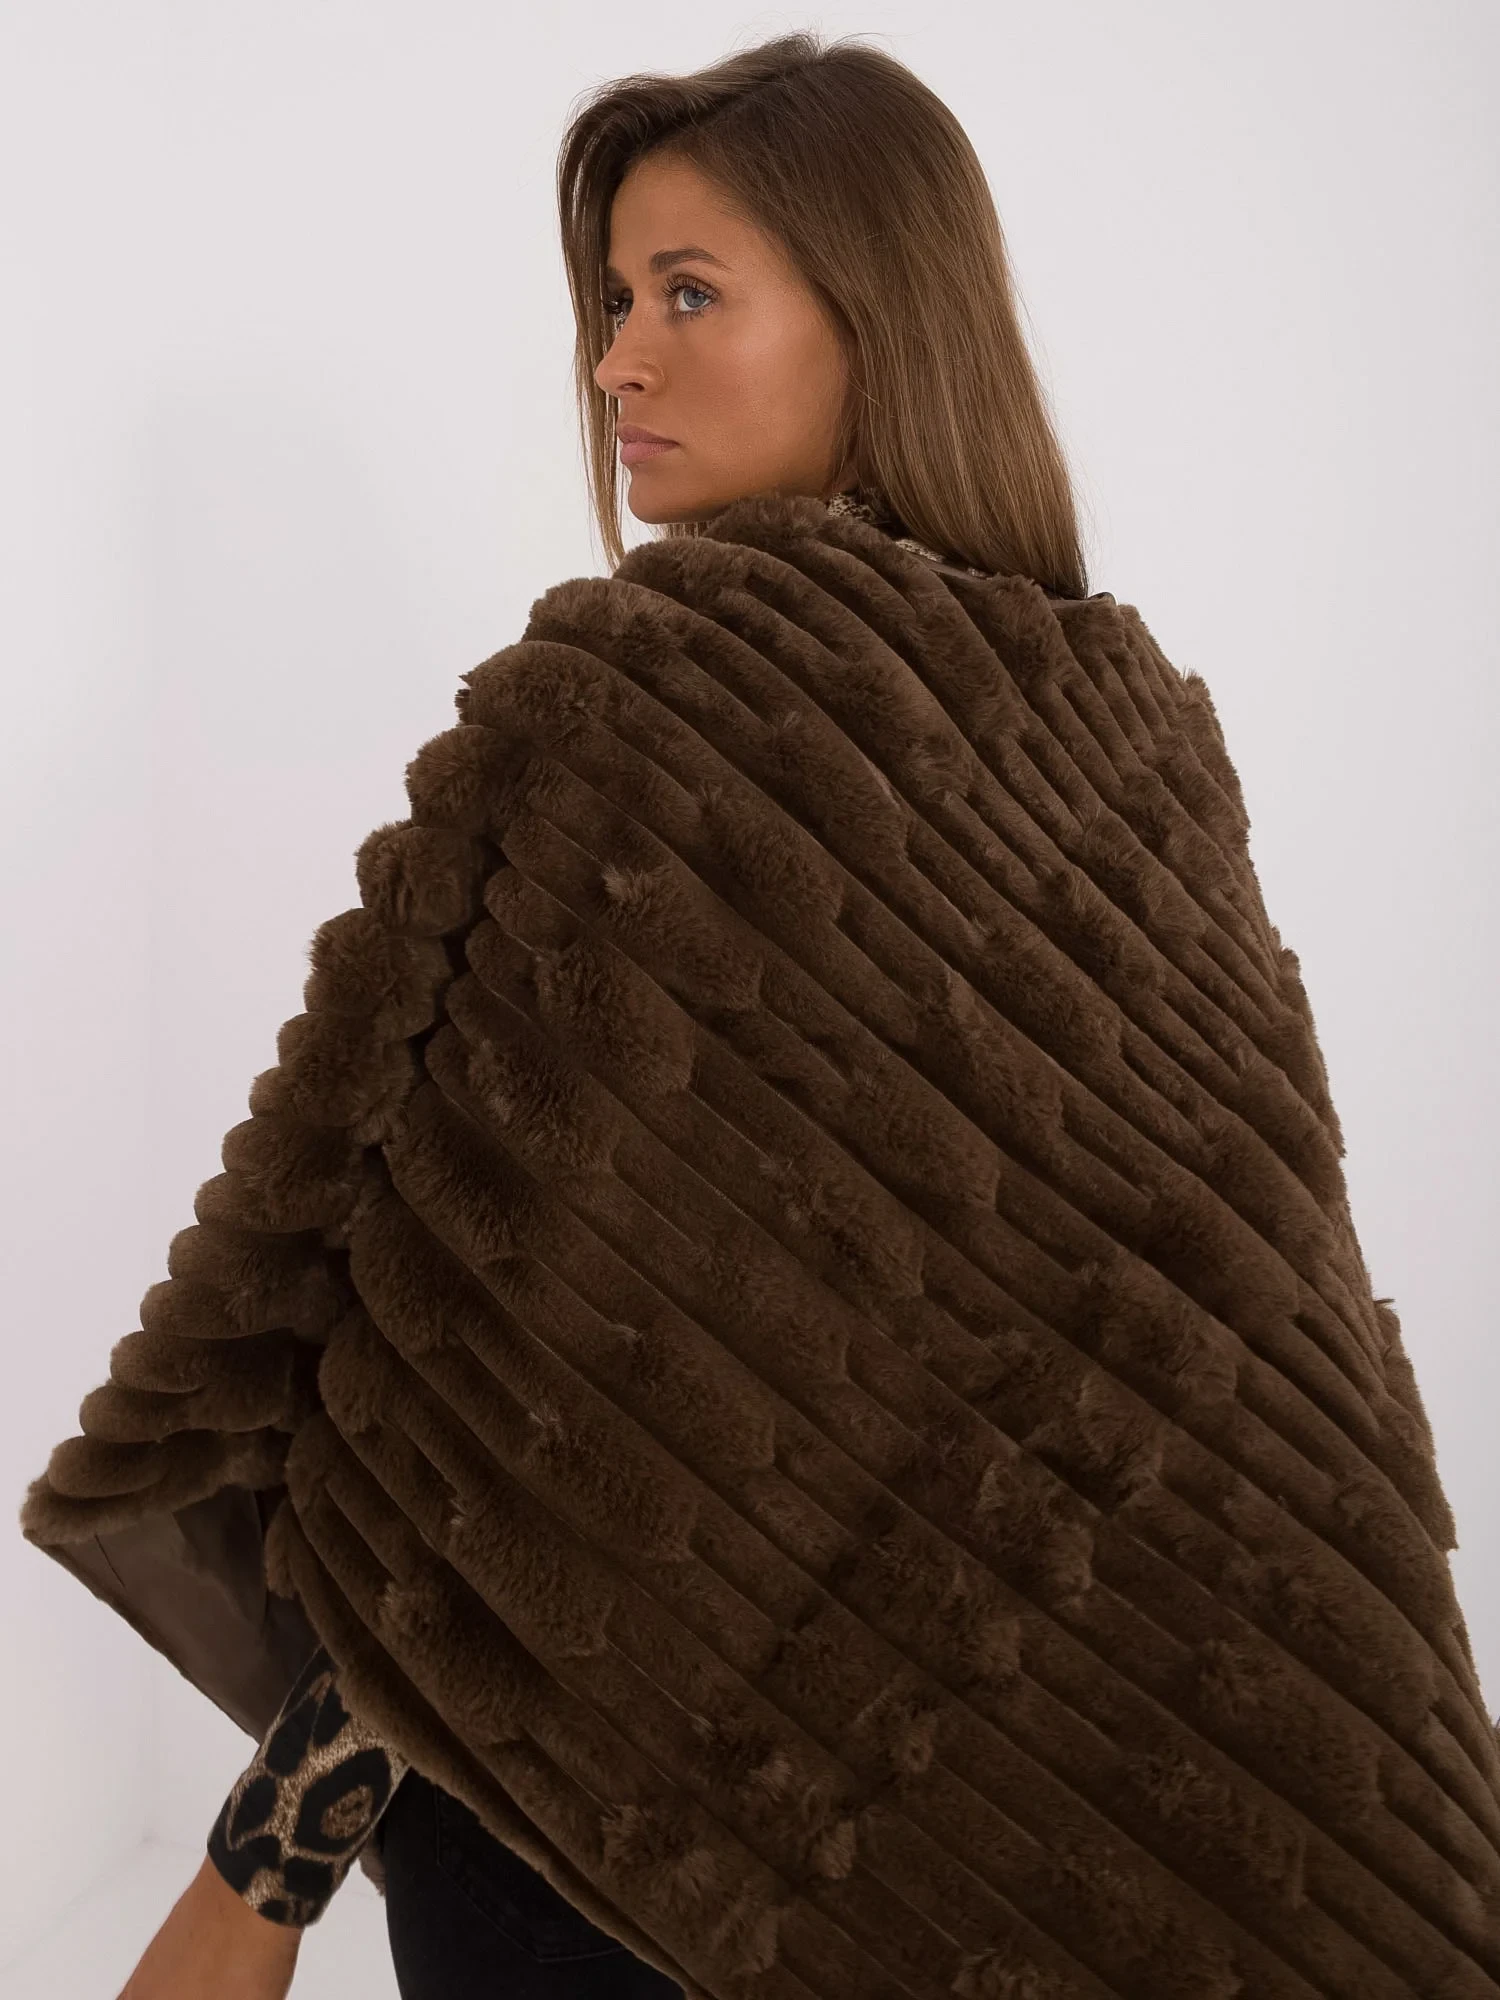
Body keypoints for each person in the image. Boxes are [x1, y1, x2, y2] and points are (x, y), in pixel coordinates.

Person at [108, 28, 1103, 1998]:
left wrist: (254, 1879)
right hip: (912, 1822)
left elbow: (502, 1403)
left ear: (879, 322)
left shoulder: (649, 731)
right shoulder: (1110, 746)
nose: (615, 362)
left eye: (689, 294)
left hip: (627, 1829)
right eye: (618, 299)